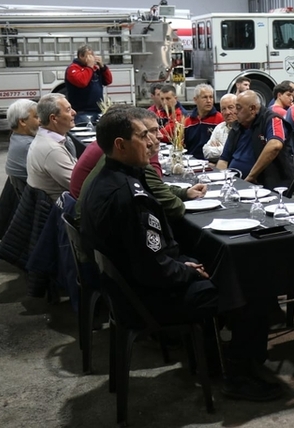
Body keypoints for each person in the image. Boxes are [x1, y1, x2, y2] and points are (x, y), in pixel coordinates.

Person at [79, 108, 281, 401]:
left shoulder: (110, 178)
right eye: (144, 135)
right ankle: (240, 376)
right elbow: (153, 268)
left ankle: (210, 361)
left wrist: (180, 263)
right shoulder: (128, 195)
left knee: (217, 265)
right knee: (252, 287)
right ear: (120, 145)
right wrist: (186, 269)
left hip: (127, 289)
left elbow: (148, 255)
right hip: (145, 299)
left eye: (153, 132)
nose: (154, 140)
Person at [75, 108, 206, 219]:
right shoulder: (126, 180)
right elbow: (174, 207)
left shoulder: (116, 162)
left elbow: (154, 188)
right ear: (121, 144)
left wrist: (185, 193)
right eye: (146, 134)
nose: (158, 137)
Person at [217, 91, 294, 188]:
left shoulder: (272, 119)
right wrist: (221, 182)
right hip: (235, 183)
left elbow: (275, 145)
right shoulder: (237, 126)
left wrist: (251, 176)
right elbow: (224, 160)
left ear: (252, 109)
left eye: (239, 107)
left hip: (264, 185)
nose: (235, 111)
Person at [26, 94, 77, 200]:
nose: (74, 112)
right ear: (53, 118)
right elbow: (80, 186)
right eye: (68, 110)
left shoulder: (44, 139)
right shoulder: (52, 150)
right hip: (63, 210)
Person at [64, 44, 112, 124]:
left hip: (98, 110)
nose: (92, 58)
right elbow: (82, 82)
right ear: (81, 56)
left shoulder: (95, 68)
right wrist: (89, 67)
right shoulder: (73, 68)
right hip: (82, 112)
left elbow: (108, 81)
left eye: (92, 55)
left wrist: (103, 67)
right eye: (89, 55)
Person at [184, 84, 224, 160]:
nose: (209, 101)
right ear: (195, 100)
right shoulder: (187, 122)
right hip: (191, 163)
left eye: (211, 97)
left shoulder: (220, 119)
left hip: (212, 163)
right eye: (205, 97)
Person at [5, 99, 40, 182]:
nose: (40, 120)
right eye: (36, 117)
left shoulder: (15, 137)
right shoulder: (30, 146)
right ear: (22, 121)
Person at [202, 94, 237, 161]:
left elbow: (235, 153)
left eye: (231, 107)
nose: (227, 112)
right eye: (223, 109)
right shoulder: (219, 127)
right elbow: (206, 152)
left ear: (238, 108)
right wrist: (224, 150)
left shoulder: (243, 128)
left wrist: (218, 149)